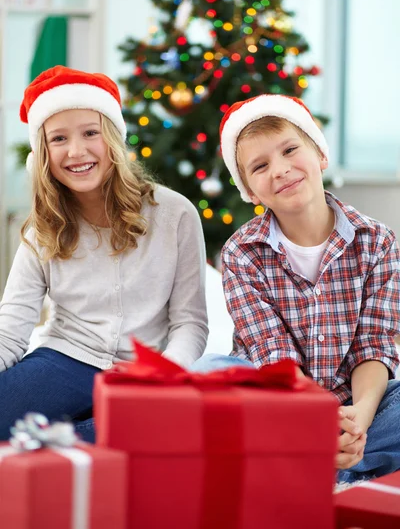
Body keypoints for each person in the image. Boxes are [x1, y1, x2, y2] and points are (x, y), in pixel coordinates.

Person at [191, 94, 400, 484]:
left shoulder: (378, 241)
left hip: (353, 404)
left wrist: (359, 420)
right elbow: (273, 354)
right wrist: (315, 419)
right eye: (260, 166)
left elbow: (375, 345)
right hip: (277, 397)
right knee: (207, 376)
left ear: (320, 154)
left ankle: (319, 463)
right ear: (250, 192)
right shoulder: (242, 252)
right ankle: (336, 465)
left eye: (290, 149)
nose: (281, 170)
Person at [0, 65, 208, 443]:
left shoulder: (176, 214)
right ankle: (83, 432)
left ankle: (62, 437)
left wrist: (164, 374)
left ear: (112, 138)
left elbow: (190, 324)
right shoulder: (42, 228)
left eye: (90, 133)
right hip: (64, 359)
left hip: (145, 371)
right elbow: (11, 329)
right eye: (58, 139)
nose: (76, 152)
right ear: (43, 153)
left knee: (172, 424)